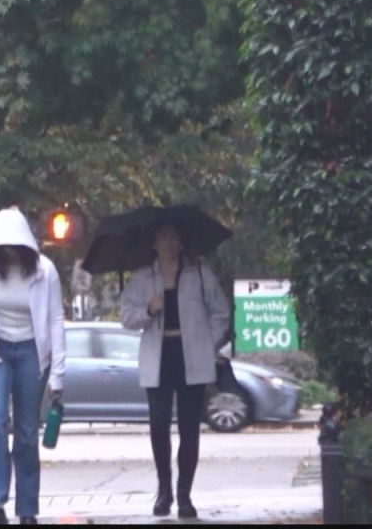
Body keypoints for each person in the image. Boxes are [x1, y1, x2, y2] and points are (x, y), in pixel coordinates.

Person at [119, 221, 230, 519]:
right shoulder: (144, 278)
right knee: (158, 427)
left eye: (174, 237)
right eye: (163, 237)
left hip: (191, 356)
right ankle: (164, 489)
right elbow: (126, 317)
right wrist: (149, 310)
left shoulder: (200, 274)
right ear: (154, 244)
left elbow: (221, 313)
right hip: (159, 356)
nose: (169, 242)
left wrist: (209, 342)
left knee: (190, 428)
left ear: (182, 243)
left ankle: (184, 495)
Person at [0, 207, 66, 525]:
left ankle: (27, 509)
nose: (8, 252)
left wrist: (58, 373)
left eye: (14, 246)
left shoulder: (45, 270)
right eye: (1, 246)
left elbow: (54, 319)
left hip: (32, 353)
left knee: (25, 432)